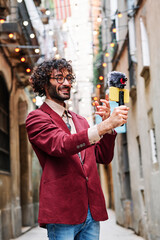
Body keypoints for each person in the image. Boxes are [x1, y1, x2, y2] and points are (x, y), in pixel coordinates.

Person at [26, 58, 129, 240]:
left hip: (91, 211)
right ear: (44, 83)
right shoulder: (36, 118)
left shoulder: (80, 120)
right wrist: (103, 127)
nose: (66, 83)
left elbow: (102, 157)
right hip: (63, 211)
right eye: (59, 78)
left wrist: (109, 128)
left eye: (68, 78)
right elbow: (62, 145)